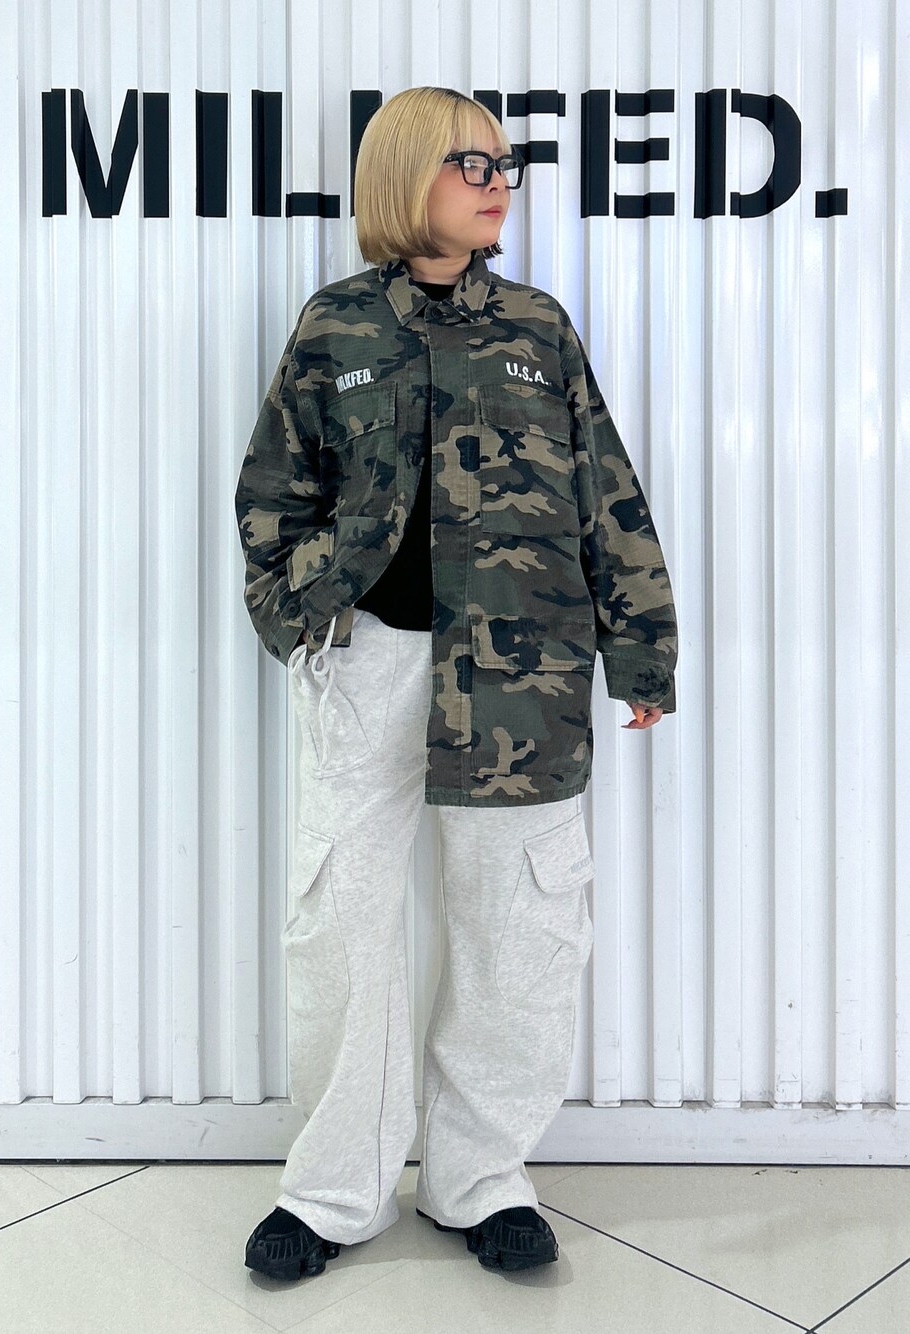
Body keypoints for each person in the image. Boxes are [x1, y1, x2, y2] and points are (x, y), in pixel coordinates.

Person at [236, 86, 678, 1283]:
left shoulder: (536, 325)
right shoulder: (335, 325)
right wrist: (298, 618)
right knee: (339, 925)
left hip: (522, 673)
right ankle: (333, 1189)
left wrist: (641, 646)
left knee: (519, 924)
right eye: (468, 162)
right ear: (405, 174)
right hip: (368, 664)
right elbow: (273, 489)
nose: (496, 183)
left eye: (502, 164)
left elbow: (605, 492)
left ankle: (480, 1176)